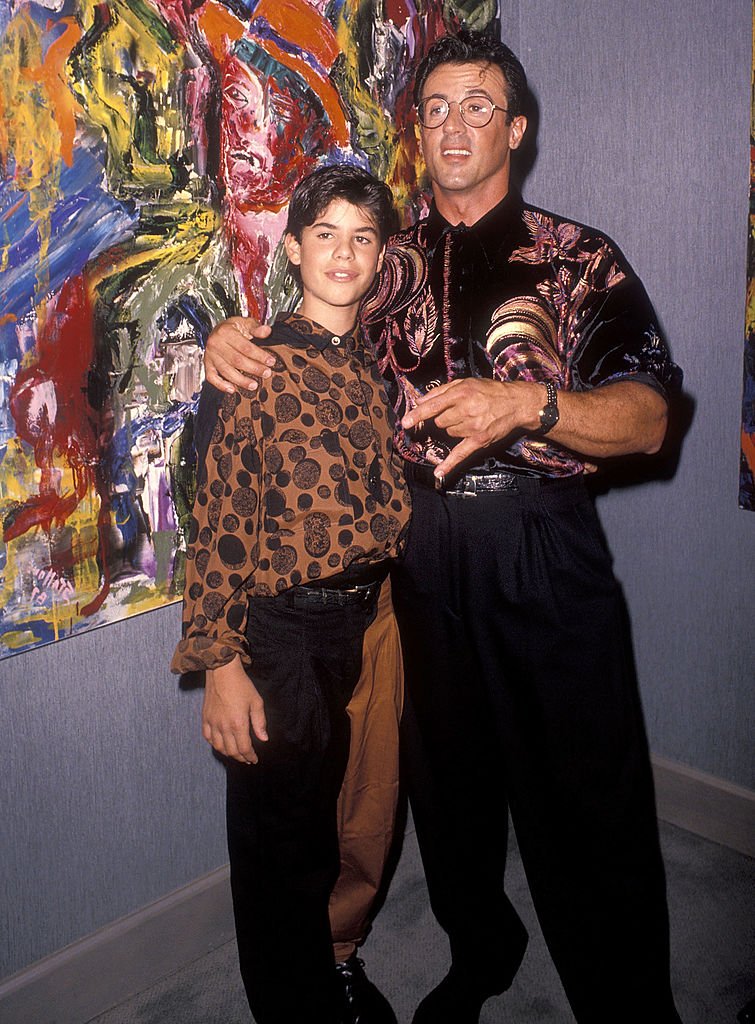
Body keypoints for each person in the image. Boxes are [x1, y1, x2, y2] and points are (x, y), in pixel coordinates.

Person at [202, 30, 684, 1024]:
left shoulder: (575, 256)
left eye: (477, 106)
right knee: (448, 784)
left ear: (514, 128)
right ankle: (479, 950)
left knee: (585, 798)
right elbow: (305, 308)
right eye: (433, 109)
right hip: (415, 555)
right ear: (414, 135)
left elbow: (648, 418)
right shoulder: (387, 259)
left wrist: (530, 408)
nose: (454, 124)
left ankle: (624, 1001)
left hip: (539, 545)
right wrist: (228, 330)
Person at [171, 164, 411, 1023]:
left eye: (362, 237)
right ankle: (295, 1008)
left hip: (367, 619)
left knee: (345, 821)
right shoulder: (253, 368)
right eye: (326, 235)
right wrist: (220, 663)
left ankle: (329, 969)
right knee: (280, 845)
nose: (343, 253)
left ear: (380, 255)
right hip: (278, 632)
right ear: (295, 247)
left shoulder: (376, 368)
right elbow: (218, 527)